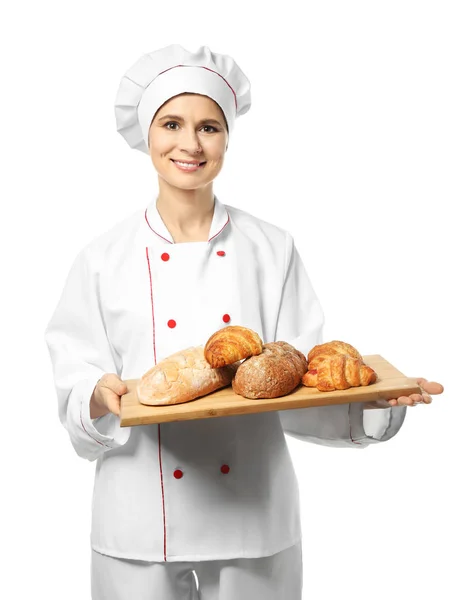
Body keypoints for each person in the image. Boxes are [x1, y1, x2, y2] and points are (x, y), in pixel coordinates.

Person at [44, 44, 444, 600]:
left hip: (253, 510)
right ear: (147, 134)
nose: (190, 143)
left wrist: (374, 401)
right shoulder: (101, 258)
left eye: (208, 126)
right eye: (172, 124)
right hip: (137, 513)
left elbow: (299, 376)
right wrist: (96, 392)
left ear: (227, 138)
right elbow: (74, 371)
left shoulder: (271, 248)